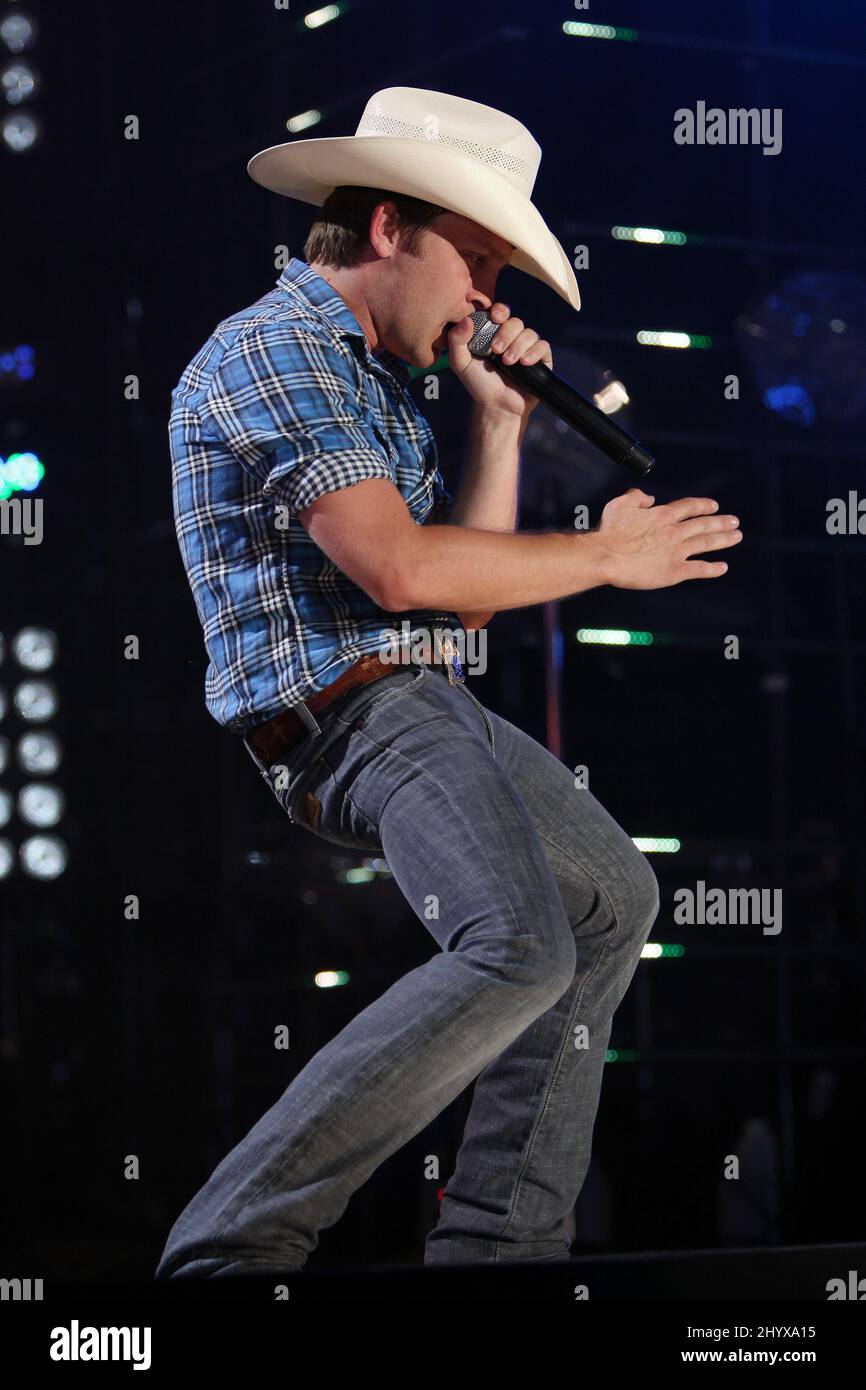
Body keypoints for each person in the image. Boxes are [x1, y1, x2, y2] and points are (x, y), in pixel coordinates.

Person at [155, 87, 742, 1277]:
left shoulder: (375, 379)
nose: (486, 298)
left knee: (609, 901)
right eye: (474, 259)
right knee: (517, 944)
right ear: (386, 229)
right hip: (347, 717)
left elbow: (457, 604)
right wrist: (604, 555)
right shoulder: (273, 350)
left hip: (423, 698)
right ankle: (229, 1247)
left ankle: (499, 1245)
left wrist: (503, 425)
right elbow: (395, 565)